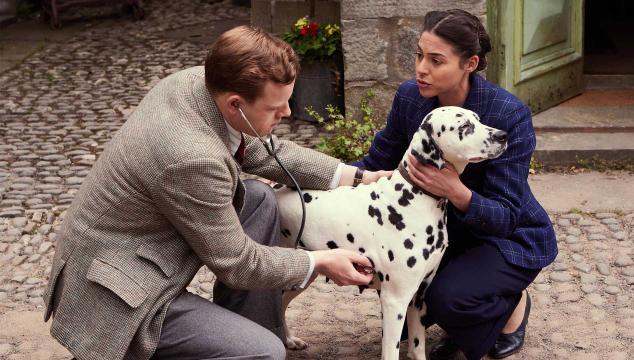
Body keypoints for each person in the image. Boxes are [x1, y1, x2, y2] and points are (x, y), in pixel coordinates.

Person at [42, 25, 391, 360]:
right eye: (275, 108)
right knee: (264, 352)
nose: (286, 112)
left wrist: (359, 176)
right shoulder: (193, 158)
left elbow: (262, 150)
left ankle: (254, 331)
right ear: (235, 104)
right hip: (117, 294)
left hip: (135, 251)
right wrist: (320, 261)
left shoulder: (201, 82)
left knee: (258, 200)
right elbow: (237, 263)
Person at [351, 9, 558, 360]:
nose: (421, 68)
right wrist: (309, 177)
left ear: (470, 63)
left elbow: (507, 215)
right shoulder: (410, 98)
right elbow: (375, 164)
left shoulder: (507, 115)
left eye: (435, 60)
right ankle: (465, 303)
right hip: (438, 233)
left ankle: (511, 306)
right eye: (419, 55)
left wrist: (455, 190)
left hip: (505, 236)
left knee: (444, 300)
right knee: (400, 293)